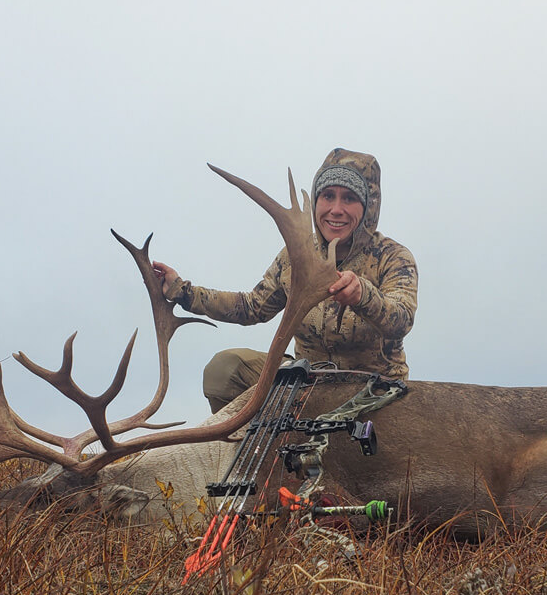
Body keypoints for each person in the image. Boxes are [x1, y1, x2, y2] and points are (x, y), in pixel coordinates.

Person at [153, 148, 418, 413]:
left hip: (372, 390)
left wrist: (364, 295)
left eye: (349, 198)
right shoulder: (295, 257)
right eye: (328, 196)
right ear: (316, 201)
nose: (336, 209)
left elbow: (401, 319)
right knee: (223, 371)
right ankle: (244, 444)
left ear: (368, 208)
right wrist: (182, 291)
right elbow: (251, 307)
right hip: (308, 381)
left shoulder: (393, 257)